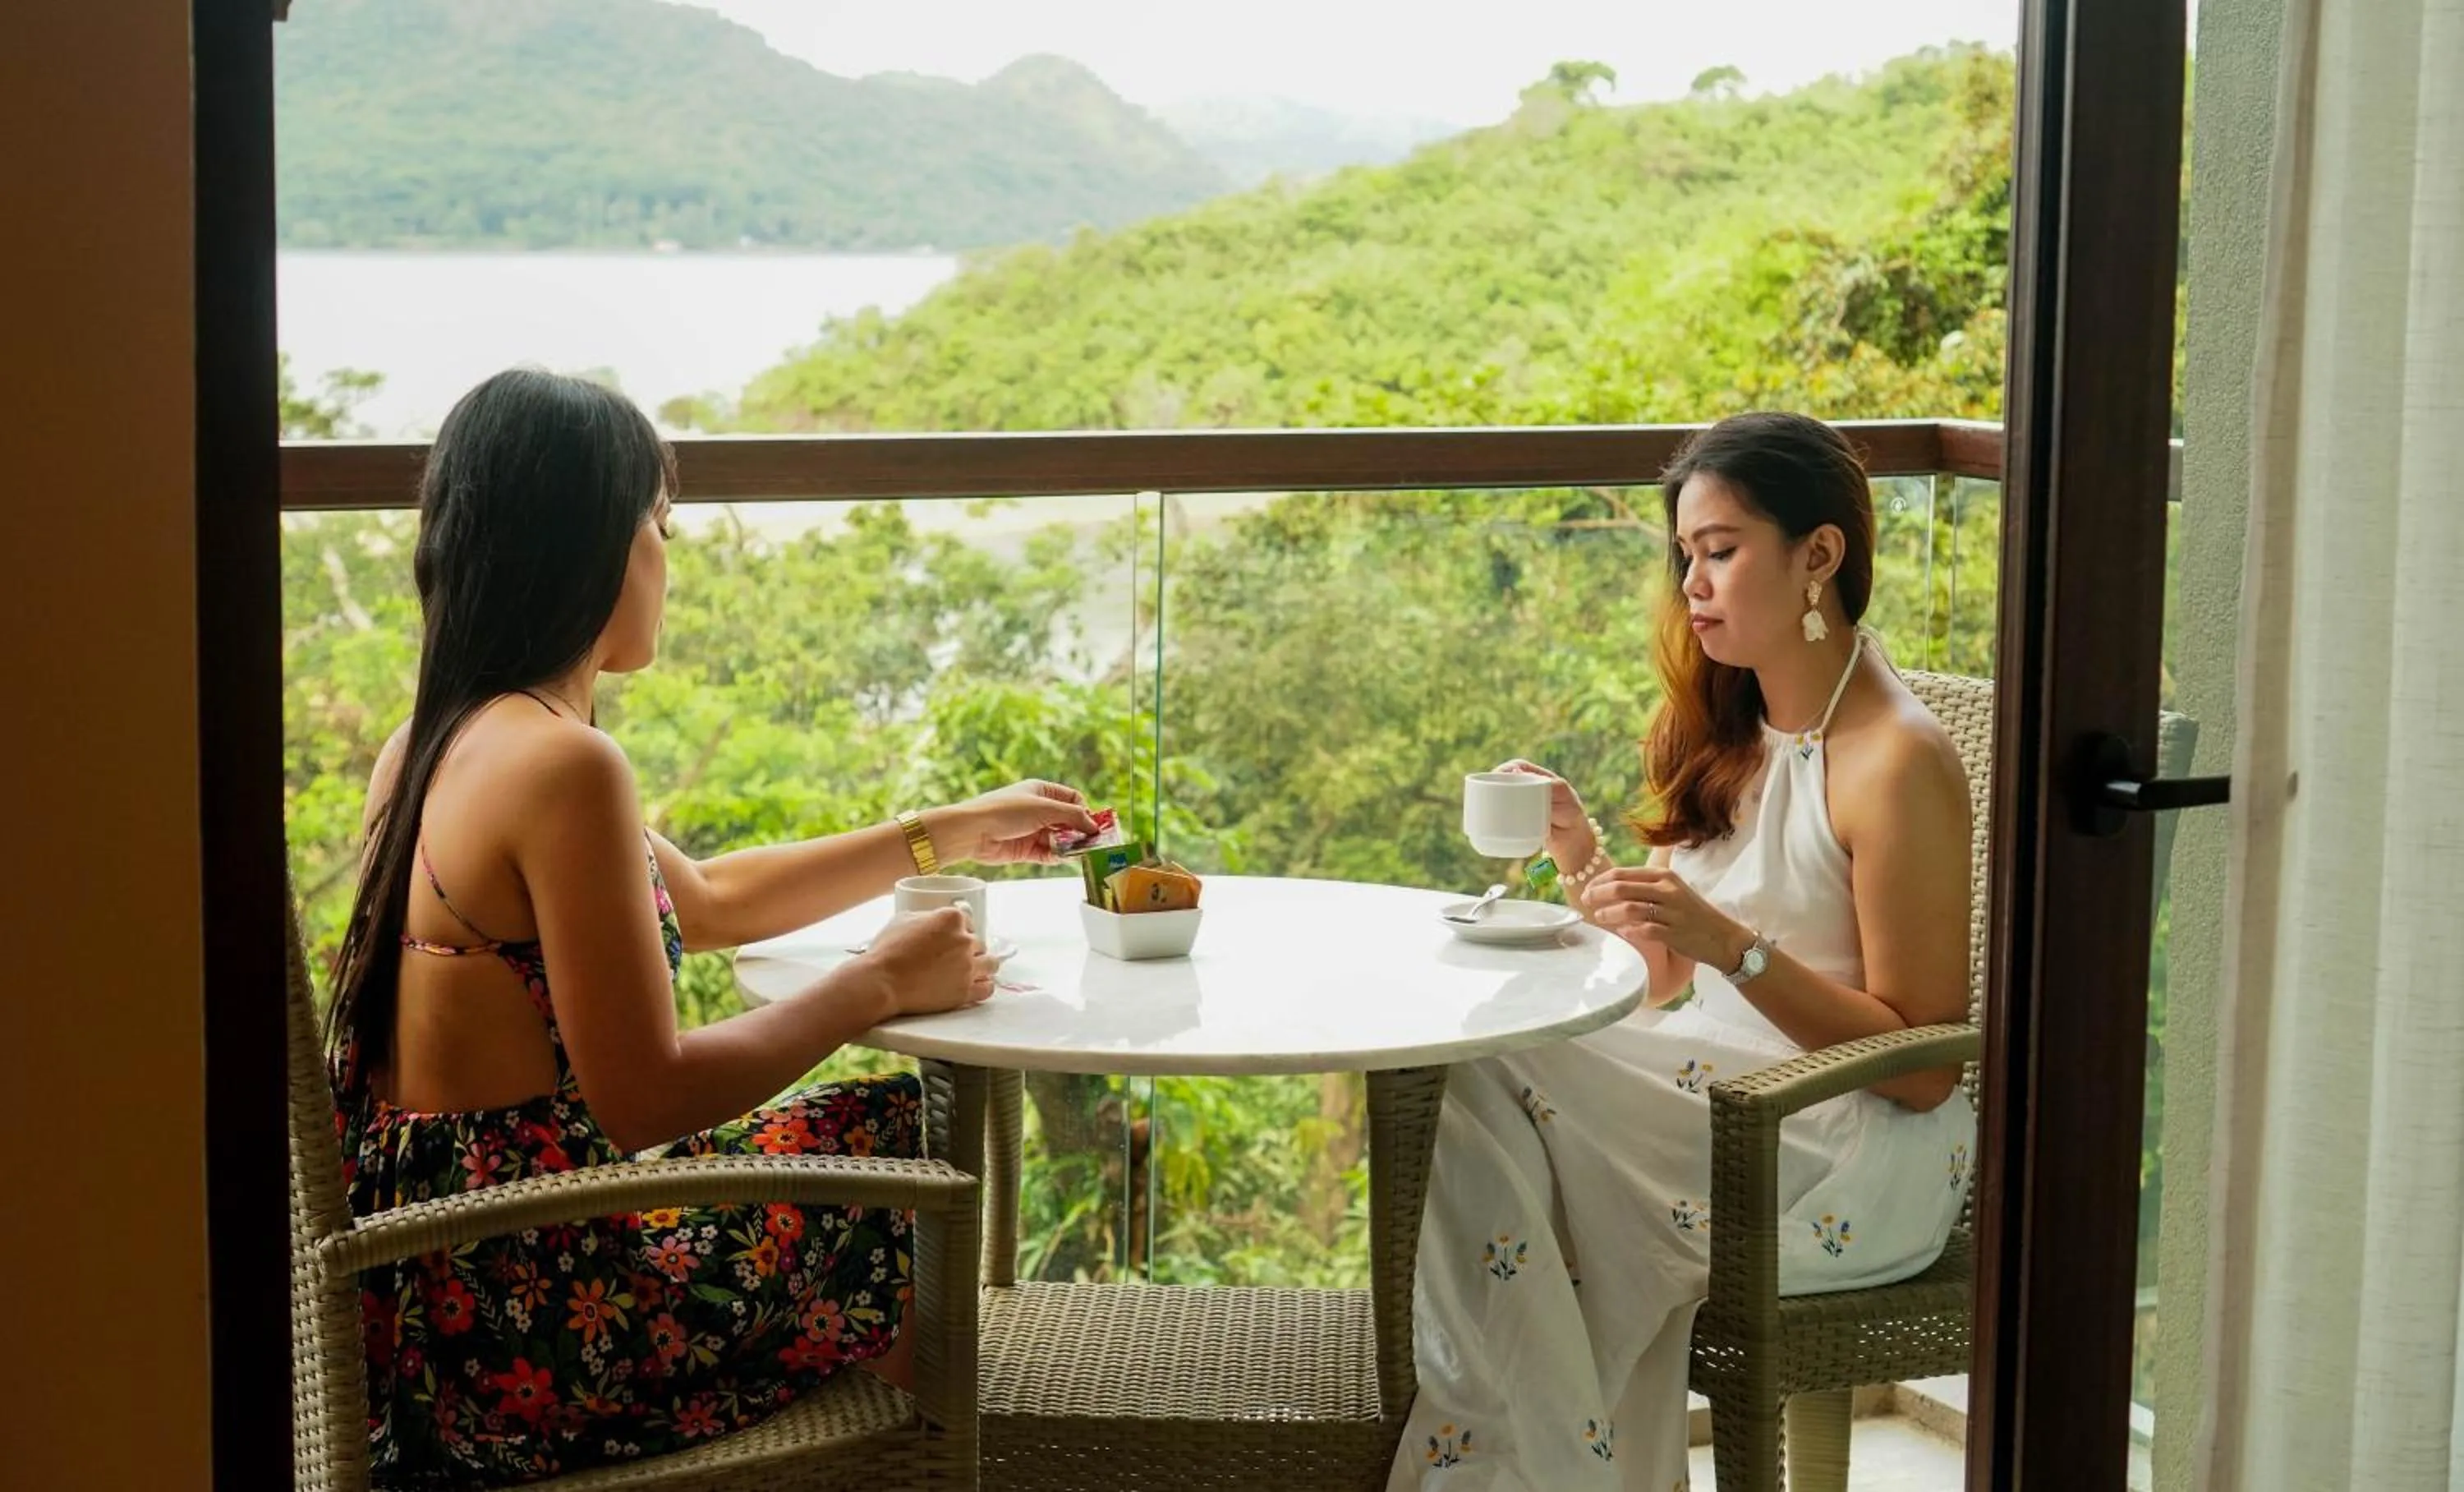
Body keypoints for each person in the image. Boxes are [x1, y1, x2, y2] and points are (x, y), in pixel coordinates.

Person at [324, 367, 1097, 1486]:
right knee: (905, 1135)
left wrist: (953, 831)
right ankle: (910, 1467)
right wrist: (879, 984)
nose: (666, 557)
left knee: (862, 1140)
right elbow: (645, 1098)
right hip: (540, 1325)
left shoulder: (442, 737)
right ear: (595, 546)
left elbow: (713, 902)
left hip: (436, 1298)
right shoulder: (566, 765)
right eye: (660, 523)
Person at [1391, 412, 1977, 1490]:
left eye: (1720, 550)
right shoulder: (1734, 730)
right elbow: (1665, 977)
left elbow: (1927, 1065)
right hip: (1710, 1090)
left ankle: (1526, 1467)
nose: (1694, 584)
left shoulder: (1898, 761)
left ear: (1820, 554)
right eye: (1685, 557)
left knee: (1476, 1070)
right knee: (1460, 1055)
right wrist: (1581, 859)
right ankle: (1552, 1462)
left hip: (1830, 1148)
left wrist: (1733, 949)